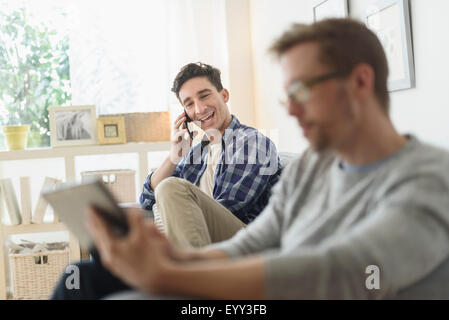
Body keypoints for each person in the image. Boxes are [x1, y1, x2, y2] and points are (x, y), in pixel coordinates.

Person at [53, 18, 449, 300]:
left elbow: (345, 273)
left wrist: (171, 275)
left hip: (278, 288)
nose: (291, 111)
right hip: (246, 270)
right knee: (82, 277)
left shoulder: (429, 178)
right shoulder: (314, 167)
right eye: (286, 96)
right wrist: (171, 256)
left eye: (302, 90)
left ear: (360, 83)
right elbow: (255, 240)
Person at [139, 62, 281, 248]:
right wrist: (174, 157)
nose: (199, 110)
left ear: (224, 95)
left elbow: (229, 210)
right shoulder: (198, 152)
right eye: (189, 104)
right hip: (207, 240)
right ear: (186, 115)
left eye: (204, 96)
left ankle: (192, 272)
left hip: (247, 241)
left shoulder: (252, 143)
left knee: (170, 187)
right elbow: (147, 199)